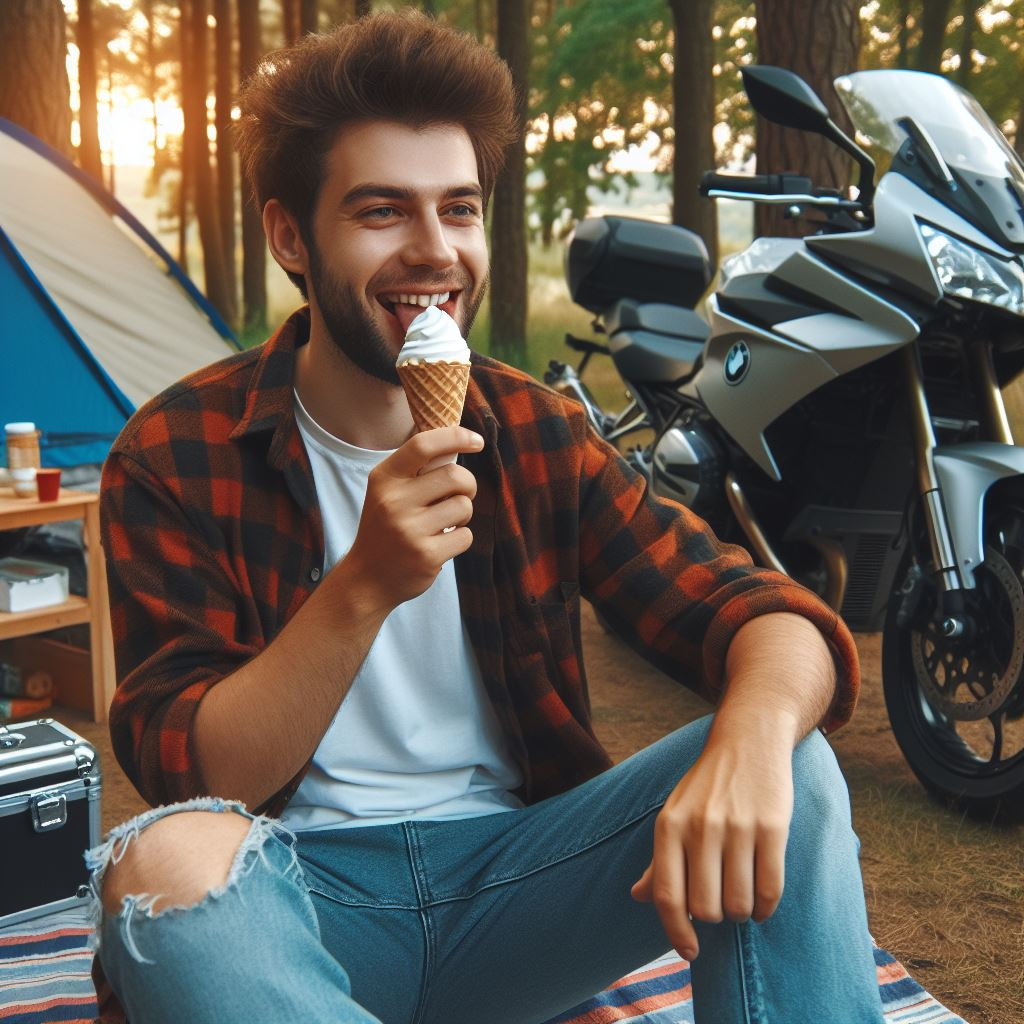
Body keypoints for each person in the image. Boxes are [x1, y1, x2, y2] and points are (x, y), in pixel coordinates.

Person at [88, 11, 884, 1024]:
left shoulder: (538, 432)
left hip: (519, 892)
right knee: (163, 869)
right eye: (382, 212)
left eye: (457, 210)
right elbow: (195, 771)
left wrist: (754, 735)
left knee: (791, 761)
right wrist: (364, 583)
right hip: (301, 904)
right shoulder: (175, 450)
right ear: (290, 233)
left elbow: (757, 611)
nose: (434, 252)